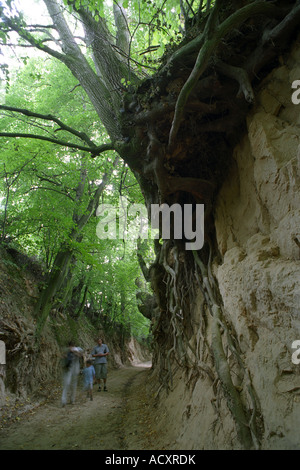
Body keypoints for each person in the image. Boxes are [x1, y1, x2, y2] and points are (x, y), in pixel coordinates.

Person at [61, 340, 83, 407]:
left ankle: (72, 399)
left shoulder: (78, 349)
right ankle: (63, 401)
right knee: (66, 383)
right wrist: (65, 355)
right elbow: (62, 356)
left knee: (73, 384)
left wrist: (74, 351)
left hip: (75, 369)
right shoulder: (66, 350)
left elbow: (81, 355)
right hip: (68, 369)